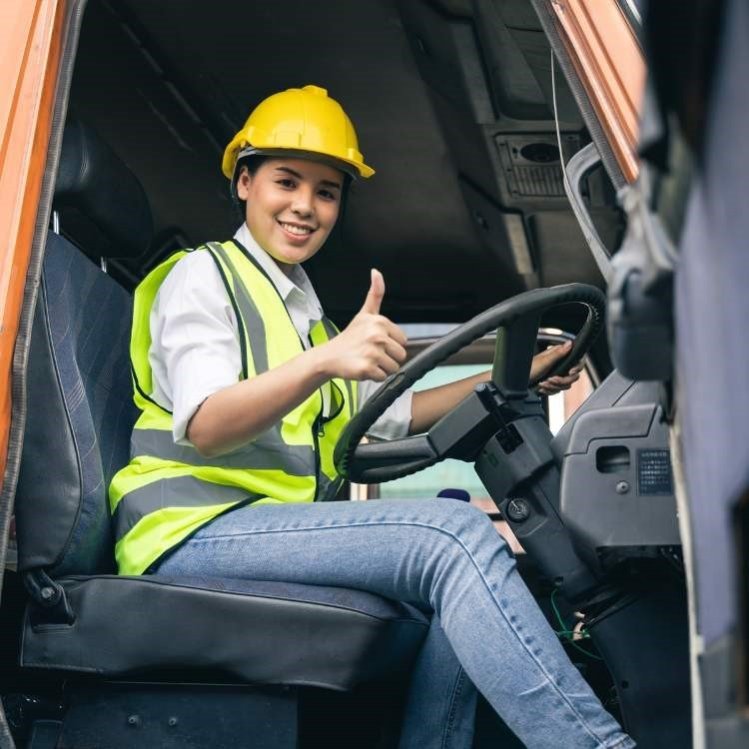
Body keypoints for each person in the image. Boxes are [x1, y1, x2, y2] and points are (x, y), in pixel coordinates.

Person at [109, 85, 634, 748]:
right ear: (244, 182)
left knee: (470, 582)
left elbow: (397, 415)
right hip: (186, 533)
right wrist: (327, 359)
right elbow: (208, 421)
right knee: (451, 538)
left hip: (252, 529)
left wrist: (515, 372)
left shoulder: (306, 315)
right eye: (285, 181)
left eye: (326, 191)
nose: (304, 205)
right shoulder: (203, 276)